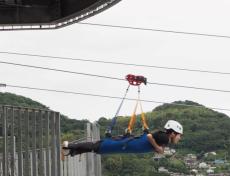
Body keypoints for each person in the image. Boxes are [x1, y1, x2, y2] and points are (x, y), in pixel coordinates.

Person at [62, 120, 183, 156]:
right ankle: (69, 146)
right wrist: (158, 148)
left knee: (98, 148)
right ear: (173, 133)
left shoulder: (163, 137)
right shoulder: (165, 138)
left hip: (129, 145)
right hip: (128, 145)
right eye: (179, 135)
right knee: (99, 146)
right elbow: (150, 136)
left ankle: (72, 151)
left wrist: (159, 149)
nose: (179, 138)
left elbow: (151, 139)